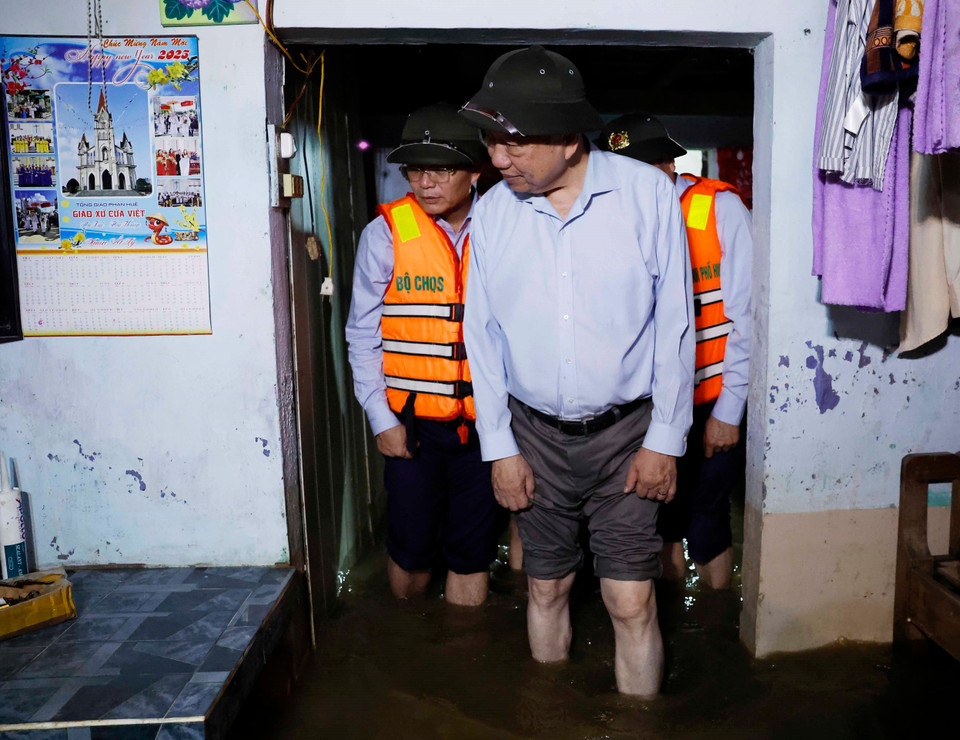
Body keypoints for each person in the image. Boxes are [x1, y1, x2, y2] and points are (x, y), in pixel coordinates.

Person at [459, 46, 695, 697]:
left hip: (629, 434)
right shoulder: (496, 210)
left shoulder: (647, 195)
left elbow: (677, 324)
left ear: (568, 138)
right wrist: (499, 448)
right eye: (491, 141)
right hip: (532, 434)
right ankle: (549, 714)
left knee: (630, 602)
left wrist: (665, 440)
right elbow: (480, 337)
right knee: (545, 585)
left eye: (514, 144)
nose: (497, 159)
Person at [345, 103, 500, 607]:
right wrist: (380, 419)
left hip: (489, 425)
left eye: (443, 168)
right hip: (411, 427)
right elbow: (361, 334)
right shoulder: (386, 234)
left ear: (476, 171)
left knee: (472, 557)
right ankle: (408, 656)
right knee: (411, 561)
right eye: (416, 168)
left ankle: (460, 671)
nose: (426, 182)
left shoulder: (506, 229)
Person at [599, 113, 752, 590]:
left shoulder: (718, 210)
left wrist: (729, 410)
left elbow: (749, 319)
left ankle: (711, 622)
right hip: (643, 408)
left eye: (648, 166)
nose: (638, 180)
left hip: (709, 402)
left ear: (670, 163)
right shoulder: (611, 217)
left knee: (707, 516)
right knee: (655, 518)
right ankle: (671, 620)